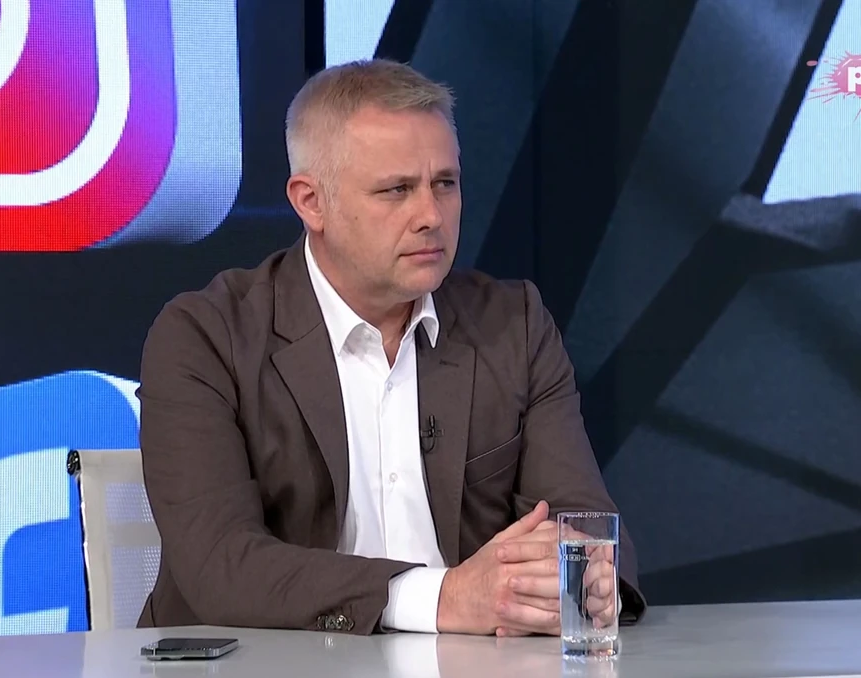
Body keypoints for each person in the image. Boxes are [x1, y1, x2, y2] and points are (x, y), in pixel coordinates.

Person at [136, 58, 645, 637]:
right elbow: (222, 565)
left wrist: (587, 578)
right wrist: (443, 598)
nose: (431, 215)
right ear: (311, 202)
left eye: (444, 184)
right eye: (396, 190)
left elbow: (585, 523)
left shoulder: (514, 326)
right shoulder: (205, 338)